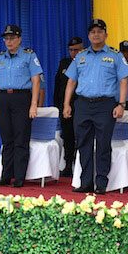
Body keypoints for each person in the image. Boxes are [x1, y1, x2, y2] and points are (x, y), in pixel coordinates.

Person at [63, 19, 128, 195]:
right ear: (88, 36)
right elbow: (71, 81)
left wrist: (121, 104)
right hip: (83, 104)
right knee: (83, 144)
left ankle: (101, 182)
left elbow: (124, 80)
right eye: (93, 32)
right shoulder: (80, 56)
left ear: (106, 35)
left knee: (103, 144)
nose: (96, 35)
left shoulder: (115, 56)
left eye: (100, 31)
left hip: (105, 104)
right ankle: (86, 182)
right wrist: (66, 104)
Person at [0, 24, 42, 188]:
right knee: (7, 139)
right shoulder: (1, 57)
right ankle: (6, 175)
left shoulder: (29, 55)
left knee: (21, 138)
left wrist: (34, 104)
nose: (9, 41)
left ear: (19, 39)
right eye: (6, 38)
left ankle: (19, 177)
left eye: (12, 38)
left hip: (21, 98)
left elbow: (36, 80)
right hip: (3, 98)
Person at [53, 37, 84, 177]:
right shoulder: (64, 63)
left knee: (82, 136)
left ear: (82, 49)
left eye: (76, 50)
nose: (73, 53)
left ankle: (80, 165)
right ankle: (68, 164)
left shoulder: (86, 62)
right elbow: (58, 85)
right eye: (71, 50)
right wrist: (57, 105)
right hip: (65, 105)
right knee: (67, 136)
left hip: (81, 104)